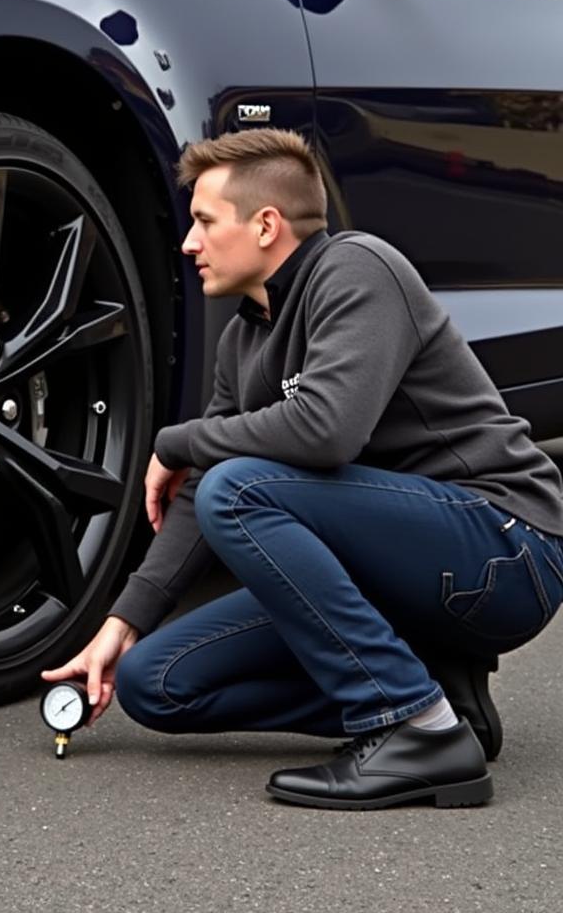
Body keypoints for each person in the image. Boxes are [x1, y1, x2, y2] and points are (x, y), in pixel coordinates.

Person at [42, 128, 563, 809]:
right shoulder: (243, 337)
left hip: (506, 546)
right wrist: (121, 625)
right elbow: (201, 496)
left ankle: (412, 725)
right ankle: (441, 699)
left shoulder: (358, 269)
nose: (188, 243)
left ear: (265, 224)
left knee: (240, 488)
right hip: (403, 571)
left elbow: (326, 430)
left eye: (203, 221)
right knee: (156, 682)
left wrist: (177, 441)